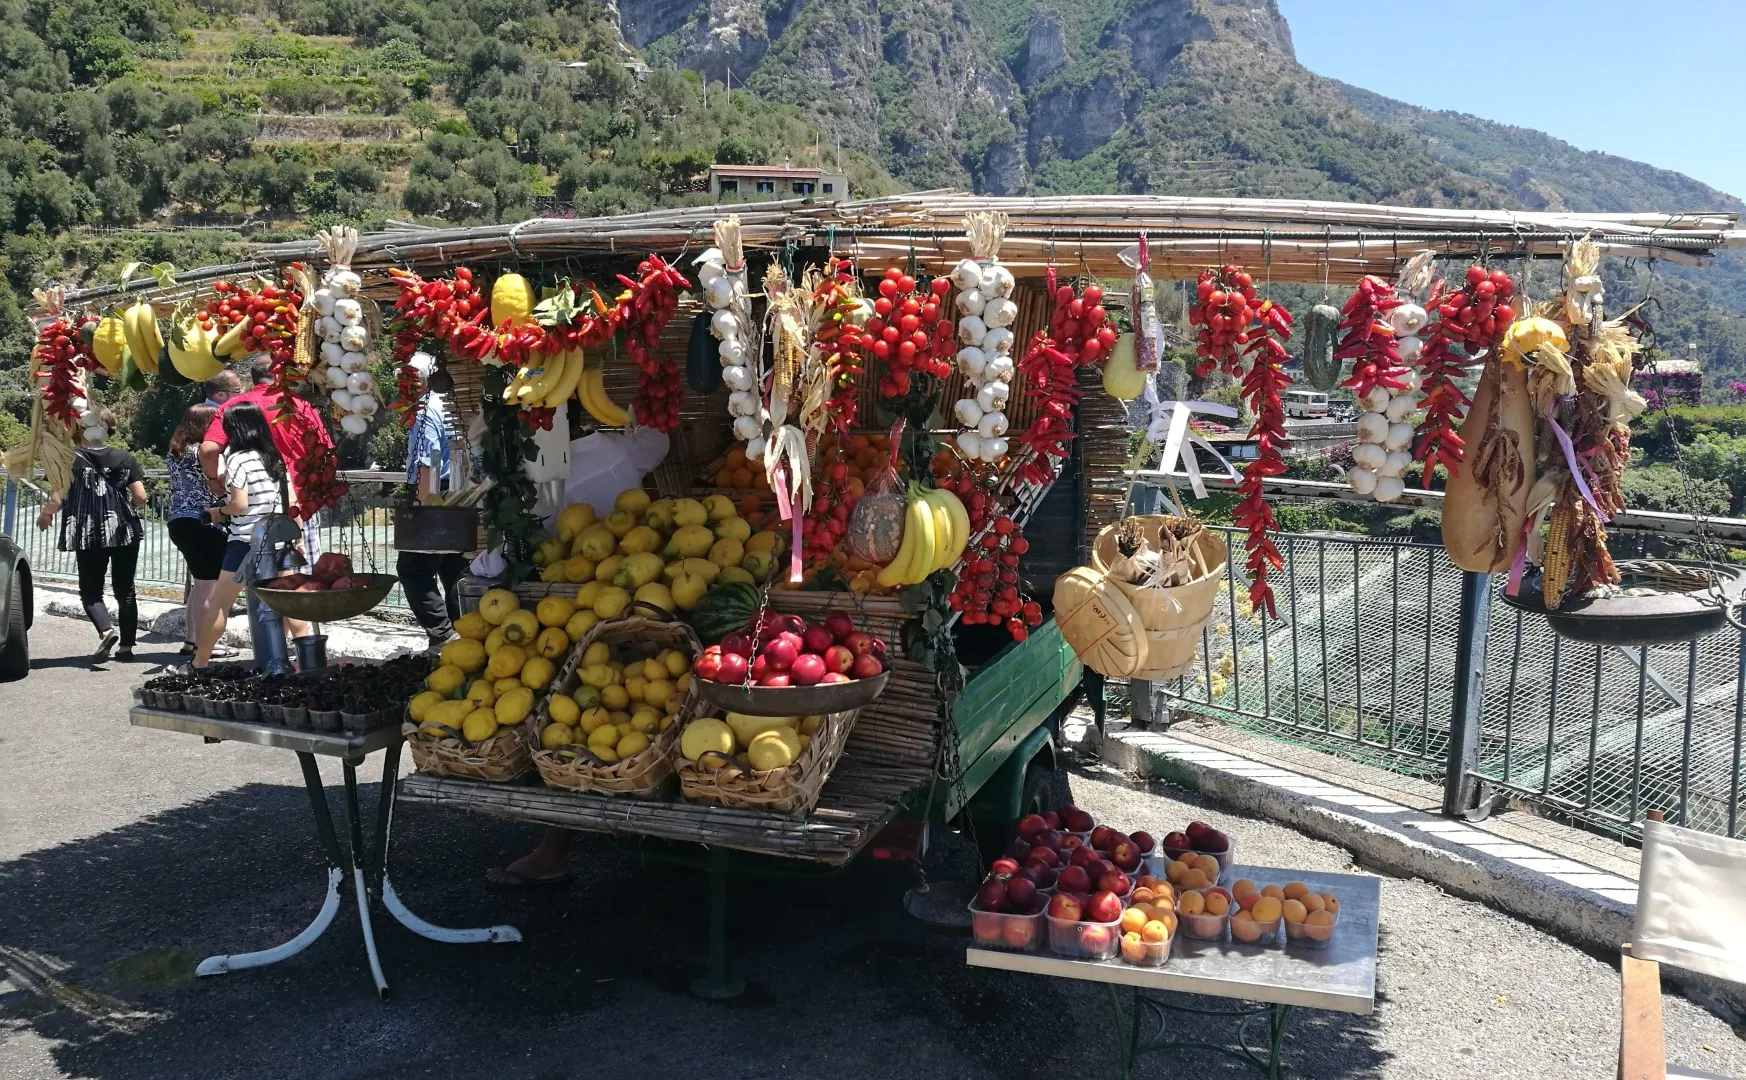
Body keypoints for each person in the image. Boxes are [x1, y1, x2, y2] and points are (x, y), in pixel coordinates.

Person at [35, 405, 146, 660]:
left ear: (80, 428)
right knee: (125, 589)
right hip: (124, 530)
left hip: (87, 532)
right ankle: (127, 648)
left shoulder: (68, 458)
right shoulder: (123, 456)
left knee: (91, 590)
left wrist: (46, 514)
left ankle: (106, 631)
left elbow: (57, 498)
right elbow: (140, 497)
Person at [185, 401, 290, 671]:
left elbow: (240, 505)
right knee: (287, 603)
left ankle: (199, 663)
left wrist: (218, 511)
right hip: (277, 536)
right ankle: (289, 660)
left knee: (220, 605)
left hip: (245, 540)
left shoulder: (239, 459)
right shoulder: (275, 458)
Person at [397, 359, 469, 653]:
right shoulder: (447, 404)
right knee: (453, 565)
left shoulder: (425, 411)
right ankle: (464, 629)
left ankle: (442, 634)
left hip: (433, 494)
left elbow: (428, 460)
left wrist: (422, 505)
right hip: (457, 492)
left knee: (413, 568)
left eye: (407, 380)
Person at [165, 403, 237, 659]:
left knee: (199, 585)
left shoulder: (176, 452)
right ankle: (208, 643)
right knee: (210, 586)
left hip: (178, 519)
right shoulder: (206, 453)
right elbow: (222, 482)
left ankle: (191, 639)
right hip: (206, 520)